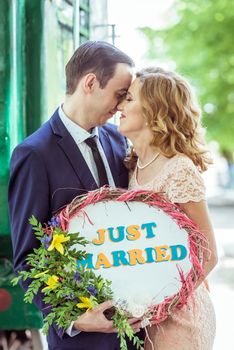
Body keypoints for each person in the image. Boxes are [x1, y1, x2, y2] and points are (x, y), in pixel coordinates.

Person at [8, 41, 144, 350]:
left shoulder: (117, 139)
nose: (122, 105)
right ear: (91, 83)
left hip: (137, 333)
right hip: (83, 341)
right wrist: (77, 319)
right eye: (120, 94)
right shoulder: (34, 154)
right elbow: (28, 258)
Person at [117, 67, 218, 350]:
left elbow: (208, 254)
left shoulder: (179, 169)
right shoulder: (133, 165)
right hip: (142, 316)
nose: (120, 106)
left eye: (130, 99)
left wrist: (162, 304)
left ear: (153, 110)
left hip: (179, 318)